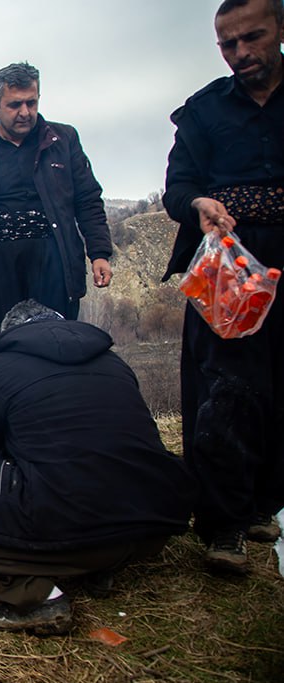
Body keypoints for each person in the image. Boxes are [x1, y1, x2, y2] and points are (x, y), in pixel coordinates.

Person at [0, 300, 195, 635]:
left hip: (72, 524)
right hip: (147, 530)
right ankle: (104, 566)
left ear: (12, 334)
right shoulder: (114, 362)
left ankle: (37, 595)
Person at [162, 0, 284, 574]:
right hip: (225, 267)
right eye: (227, 44)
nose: (240, 53)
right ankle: (223, 524)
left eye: (251, 38)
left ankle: (265, 503)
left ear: (279, 30)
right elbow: (178, 186)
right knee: (222, 390)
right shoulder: (206, 112)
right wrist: (198, 203)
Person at [0, 61, 114, 359]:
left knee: (59, 351)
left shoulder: (63, 140)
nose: (25, 112)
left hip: (54, 263)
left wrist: (99, 253)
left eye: (32, 102)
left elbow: (88, 200)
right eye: (15, 104)